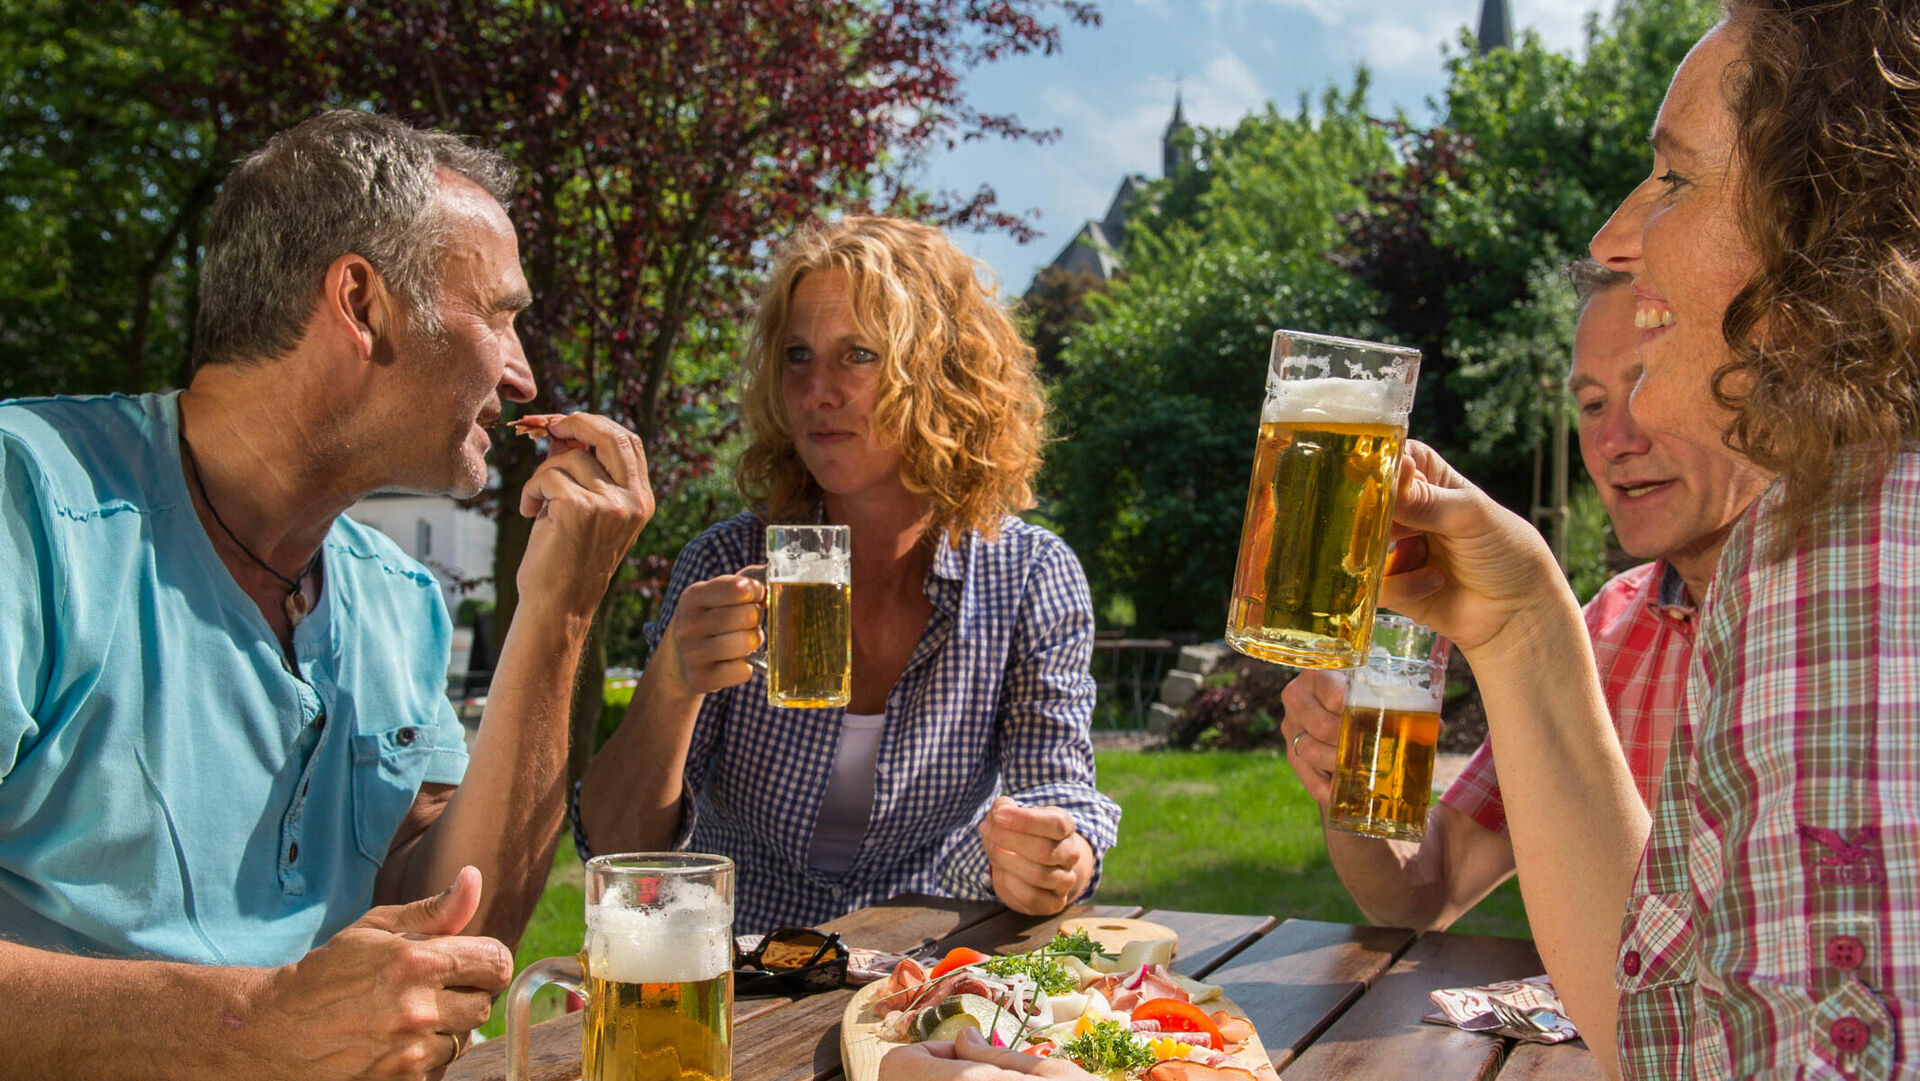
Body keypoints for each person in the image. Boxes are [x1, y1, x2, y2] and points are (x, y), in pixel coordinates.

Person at [0, 111, 654, 1080]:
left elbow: (466, 926)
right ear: (362, 302)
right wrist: (250, 1026)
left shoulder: (397, 600)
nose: (521, 373)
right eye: (502, 314)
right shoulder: (32, 510)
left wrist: (554, 615)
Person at [1375, 3, 1920, 1075]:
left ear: (1827, 226)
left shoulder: (1860, 545)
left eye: (1674, 178)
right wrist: (1523, 624)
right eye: (1587, 401)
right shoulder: (1808, 532)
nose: (1615, 237)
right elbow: (1673, 1021)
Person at [578, 215, 1119, 934]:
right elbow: (619, 852)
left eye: (857, 354)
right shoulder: (727, 564)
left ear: (944, 377)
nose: (816, 391)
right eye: (797, 355)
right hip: (737, 973)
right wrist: (671, 685)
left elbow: (1056, 786)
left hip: (927, 971)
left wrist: (1059, 858)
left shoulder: (1027, 577)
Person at [1279, 259, 1769, 931]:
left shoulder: (1869, 614)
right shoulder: (1605, 629)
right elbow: (1430, 886)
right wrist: (1354, 782)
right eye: (1592, 404)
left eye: (1649, 384)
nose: (1615, 440)